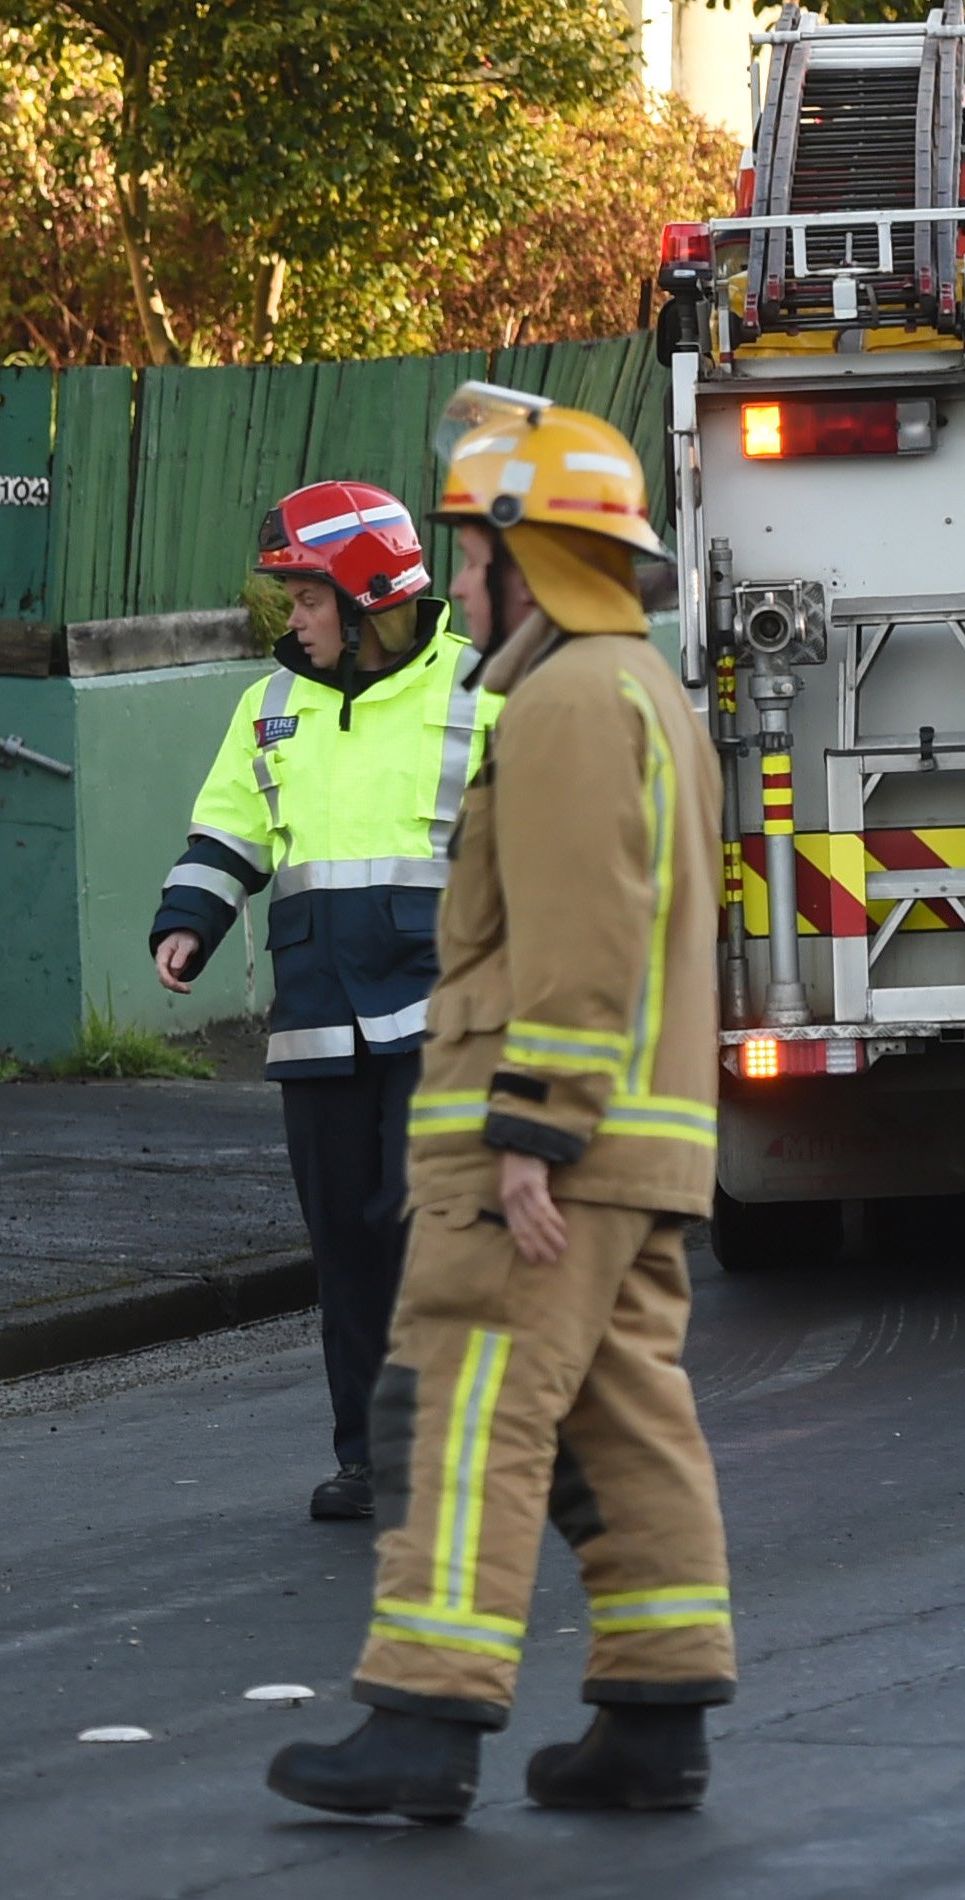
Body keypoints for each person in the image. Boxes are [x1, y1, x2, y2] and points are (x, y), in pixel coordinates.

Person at [265, 385, 734, 1823]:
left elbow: (582, 931)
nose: (458, 580)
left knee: (455, 1405)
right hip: (636, 1142)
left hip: (545, 1145)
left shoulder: (570, 702)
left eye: (476, 556)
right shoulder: (636, 687)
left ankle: (422, 1720)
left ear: (540, 559)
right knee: (617, 1417)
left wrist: (534, 1124)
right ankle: (655, 1719)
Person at [151, 480, 490, 1525]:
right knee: (345, 1242)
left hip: (440, 1016)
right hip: (317, 1021)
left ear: (365, 592)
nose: (290, 617)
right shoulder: (272, 704)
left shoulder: (480, 693)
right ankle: (371, 1457)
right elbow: (229, 829)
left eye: (305, 597)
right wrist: (189, 920)